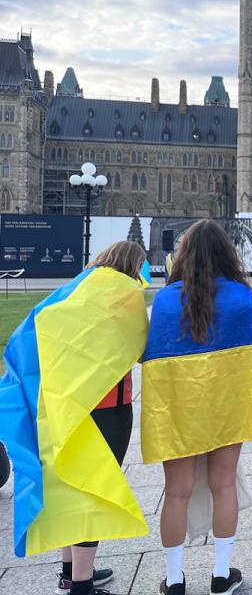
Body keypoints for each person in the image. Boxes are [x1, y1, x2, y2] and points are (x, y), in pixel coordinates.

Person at [0, 242, 150, 595]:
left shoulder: (77, 287)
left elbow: (34, 332)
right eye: (143, 266)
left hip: (61, 405)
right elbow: (143, 345)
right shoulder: (124, 292)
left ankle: (71, 574)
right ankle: (82, 585)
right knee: (93, 492)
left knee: (67, 489)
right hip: (107, 407)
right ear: (133, 265)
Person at [141, 220, 252, 595]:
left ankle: (175, 579)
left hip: (178, 409)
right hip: (226, 407)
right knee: (223, 484)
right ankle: (220, 574)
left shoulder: (165, 301)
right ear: (227, 254)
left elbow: (151, 361)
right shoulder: (242, 299)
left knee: (176, 491)